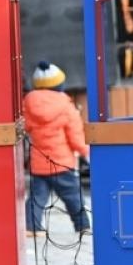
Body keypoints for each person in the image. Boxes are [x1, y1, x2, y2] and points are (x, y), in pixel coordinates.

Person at [23, 61, 90, 237]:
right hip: (62, 163)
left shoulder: (29, 105)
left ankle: (32, 227)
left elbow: (26, 127)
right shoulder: (66, 107)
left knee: (37, 199)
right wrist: (85, 151)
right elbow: (75, 136)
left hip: (39, 164)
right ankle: (83, 226)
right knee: (73, 197)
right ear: (59, 85)